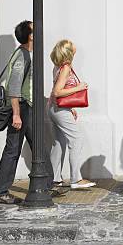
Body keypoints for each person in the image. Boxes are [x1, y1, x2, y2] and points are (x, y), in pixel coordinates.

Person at [0, 21, 50, 204]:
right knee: (13, 148)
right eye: (35, 29)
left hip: (30, 107)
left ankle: (47, 184)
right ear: (30, 36)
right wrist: (16, 114)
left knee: (38, 145)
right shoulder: (22, 56)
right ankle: (0, 190)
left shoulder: (29, 54)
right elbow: (14, 88)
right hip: (23, 108)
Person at [47, 40, 96, 190]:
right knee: (77, 139)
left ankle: (54, 178)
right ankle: (76, 179)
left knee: (59, 143)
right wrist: (79, 88)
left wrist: (70, 107)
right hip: (59, 110)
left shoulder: (58, 66)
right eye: (71, 45)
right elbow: (57, 91)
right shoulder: (66, 68)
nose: (75, 46)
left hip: (54, 108)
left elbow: (56, 92)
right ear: (68, 51)